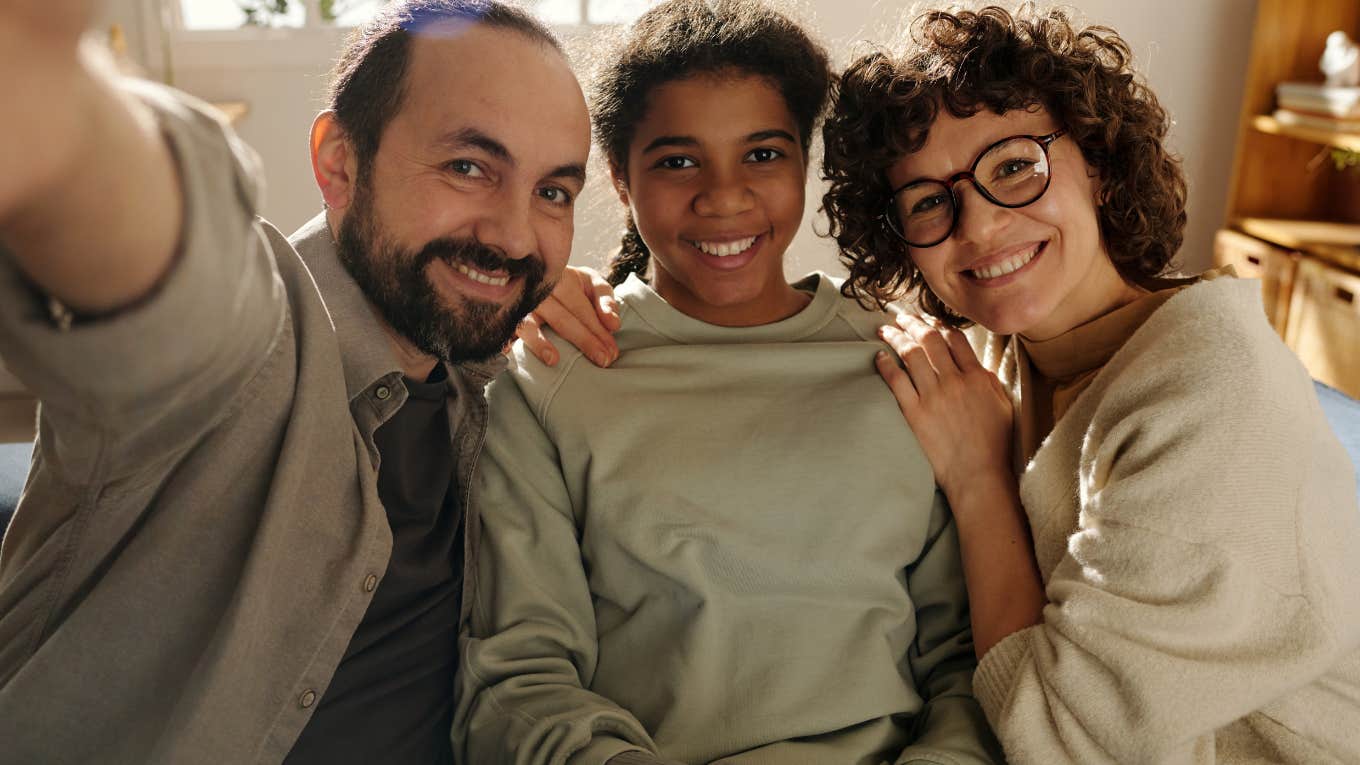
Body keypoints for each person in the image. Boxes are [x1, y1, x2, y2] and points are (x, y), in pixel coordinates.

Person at [0, 1, 605, 762]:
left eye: (552, 192)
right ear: (339, 163)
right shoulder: (253, 352)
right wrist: (56, 108)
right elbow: (191, 270)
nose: (517, 235)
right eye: (467, 167)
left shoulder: (492, 383)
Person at [455, 2, 1002, 763]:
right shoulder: (552, 379)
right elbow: (521, 675)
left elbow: (966, 666)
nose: (724, 196)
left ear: (803, 163)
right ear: (619, 176)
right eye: (679, 161)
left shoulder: (908, 365)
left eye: (763, 155)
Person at [819, 5, 1360, 763]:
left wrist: (979, 480)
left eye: (1012, 166)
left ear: (1100, 168)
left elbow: (1062, 736)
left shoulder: (1212, 394)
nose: (977, 228)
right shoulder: (1008, 353)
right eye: (930, 201)